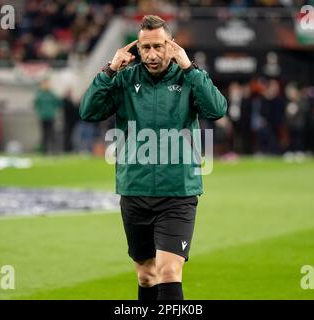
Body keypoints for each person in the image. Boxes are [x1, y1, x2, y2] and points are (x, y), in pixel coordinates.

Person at [80, 15, 227, 300]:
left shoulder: (189, 77)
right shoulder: (124, 79)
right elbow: (88, 111)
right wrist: (109, 71)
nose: (151, 54)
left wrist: (190, 68)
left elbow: (217, 109)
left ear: (170, 46)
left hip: (178, 193)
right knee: (146, 276)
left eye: (158, 47)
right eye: (145, 48)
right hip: (135, 190)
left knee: (169, 271)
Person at [34, 79, 61, 154]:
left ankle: (54, 150)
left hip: (51, 116)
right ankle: (44, 151)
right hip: (43, 117)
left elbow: (58, 103)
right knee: (44, 135)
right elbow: (36, 104)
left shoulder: (52, 94)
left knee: (52, 134)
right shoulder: (39, 94)